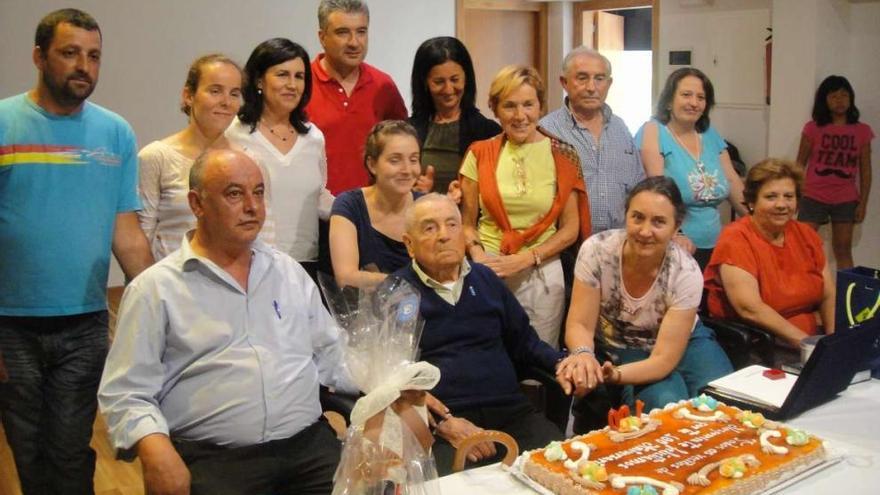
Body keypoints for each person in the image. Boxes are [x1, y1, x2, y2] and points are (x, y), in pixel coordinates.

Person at [98, 149, 356, 495]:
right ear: (197, 203)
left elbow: (333, 354)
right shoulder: (156, 289)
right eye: (235, 194)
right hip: (216, 460)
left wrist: (392, 385)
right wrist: (155, 448)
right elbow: (125, 392)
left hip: (308, 449)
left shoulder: (288, 273)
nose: (252, 206)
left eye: (259, 192)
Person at [0, 9, 153, 495]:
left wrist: (157, 305)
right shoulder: (5, 123)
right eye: (70, 53)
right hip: (10, 325)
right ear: (39, 57)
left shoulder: (115, 134)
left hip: (85, 322)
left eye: (93, 56)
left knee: (69, 449)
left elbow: (125, 232)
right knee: (29, 450)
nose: (83, 65)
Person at [395, 193, 575, 474]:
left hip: (510, 412)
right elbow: (391, 378)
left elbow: (526, 343)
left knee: (564, 471)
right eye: (430, 228)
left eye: (452, 225)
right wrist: (443, 424)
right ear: (409, 244)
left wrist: (563, 363)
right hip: (444, 424)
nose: (444, 235)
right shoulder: (396, 293)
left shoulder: (486, 279)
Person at [559, 177, 732, 411]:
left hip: (681, 340)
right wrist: (583, 355)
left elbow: (663, 360)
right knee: (667, 402)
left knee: (724, 400)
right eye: (637, 217)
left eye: (659, 222)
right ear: (626, 215)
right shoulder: (597, 251)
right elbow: (580, 323)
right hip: (622, 342)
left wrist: (614, 375)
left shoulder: (686, 272)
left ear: (676, 225)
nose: (645, 231)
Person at [460, 65, 591, 348]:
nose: (520, 116)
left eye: (528, 104)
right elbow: (466, 223)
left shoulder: (564, 154)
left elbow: (570, 229)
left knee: (538, 359)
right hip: (488, 269)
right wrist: (478, 256)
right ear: (494, 108)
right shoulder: (478, 153)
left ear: (541, 106)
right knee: (490, 354)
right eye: (509, 106)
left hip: (541, 270)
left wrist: (526, 259)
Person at [226, 38, 334, 280]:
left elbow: (319, 196)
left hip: (306, 264)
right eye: (282, 75)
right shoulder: (233, 133)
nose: (292, 85)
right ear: (259, 80)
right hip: (250, 261)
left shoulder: (314, 137)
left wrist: (362, 208)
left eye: (299, 77)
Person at [704, 158, 835, 348]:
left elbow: (828, 294)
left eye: (789, 196)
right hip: (761, 343)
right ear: (751, 202)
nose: (781, 205)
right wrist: (807, 345)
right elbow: (750, 309)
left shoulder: (805, 234)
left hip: (810, 340)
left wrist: (833, 341)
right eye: (771, 197)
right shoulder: (735, 238)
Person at [636, 67, 747, 270]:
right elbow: (657, 189)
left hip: (716, 246)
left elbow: (732, 181)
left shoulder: (710, 135)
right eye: (686, 95)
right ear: (669, 101)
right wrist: (676, 235)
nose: (694, 103)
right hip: (674, 246)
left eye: (701, 97)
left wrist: (757, 219)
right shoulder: (653, 131)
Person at [139, 53, 244, 260]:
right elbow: (142, 238)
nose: (226, 102)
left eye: (234, 94)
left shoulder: (248, 160)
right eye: (215, 91)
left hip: (234, 284)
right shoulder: (156, 157)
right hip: (172, 286)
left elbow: (263, 238)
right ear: (189, 95)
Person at [306, 0, 408, 194]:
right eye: (343, 32)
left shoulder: (383, 85)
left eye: (361, 31)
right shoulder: (301, 85)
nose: (354, 42)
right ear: (322, 37)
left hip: (373, 212)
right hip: (313, 214)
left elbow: (402, 145)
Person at [540, 46, 644, 234]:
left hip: (619, 243)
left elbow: (639, 188)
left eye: (599, 79)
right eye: (582, 78)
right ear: (564, 82)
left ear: (609, 83)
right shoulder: (547, 131)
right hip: (567, 248)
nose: (591, 87)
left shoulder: (620, 128)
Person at [329, 120, 426, 289]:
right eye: (395, 160)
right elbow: (346, 277)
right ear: (372, 164)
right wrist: (410, 284)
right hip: (366, 312)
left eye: (413, 159)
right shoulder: (349, 205)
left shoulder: (427, 207)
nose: (407, 169)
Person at [796, 75, 873, 270]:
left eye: (844, 95)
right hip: (812, 195)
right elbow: (799, 164)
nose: (840, 101)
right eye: (834, 96)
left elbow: (866, 170)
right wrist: (794, 195)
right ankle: (803, 295)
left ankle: (845, 297)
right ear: (824, 99)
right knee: (803, 247)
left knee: (843, 250)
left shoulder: (862, 131)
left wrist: (863, 203)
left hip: (845, 198)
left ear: (851, 98)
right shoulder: (813, 128)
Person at [408, 36, 501, 194]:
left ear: (466, 79)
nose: (448, 89)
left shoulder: (488, 132)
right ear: (424, 82)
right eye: (438, 82)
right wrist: (415, 193)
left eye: (455, 80)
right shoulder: (408, 131)